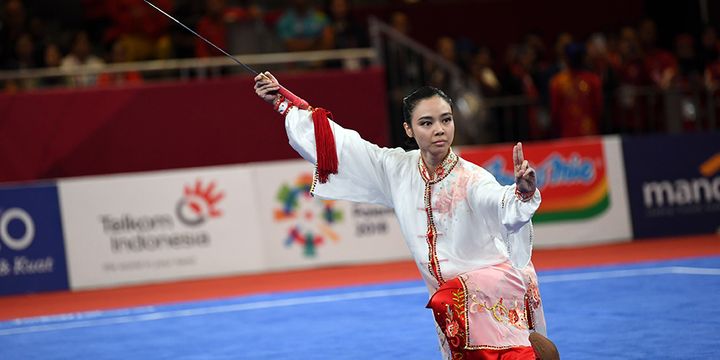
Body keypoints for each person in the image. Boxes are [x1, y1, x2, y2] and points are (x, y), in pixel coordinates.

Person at [254, 73, 559, 360]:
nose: (439, 129)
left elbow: (499, 202)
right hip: (450, 299)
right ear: (408, 130)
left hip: (486, 288)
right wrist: (285, 104)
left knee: (450, 303)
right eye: (426, 123)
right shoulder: (397, 169)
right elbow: (345, 147)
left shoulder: (472, 179)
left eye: (446, 120)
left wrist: (522, 193)